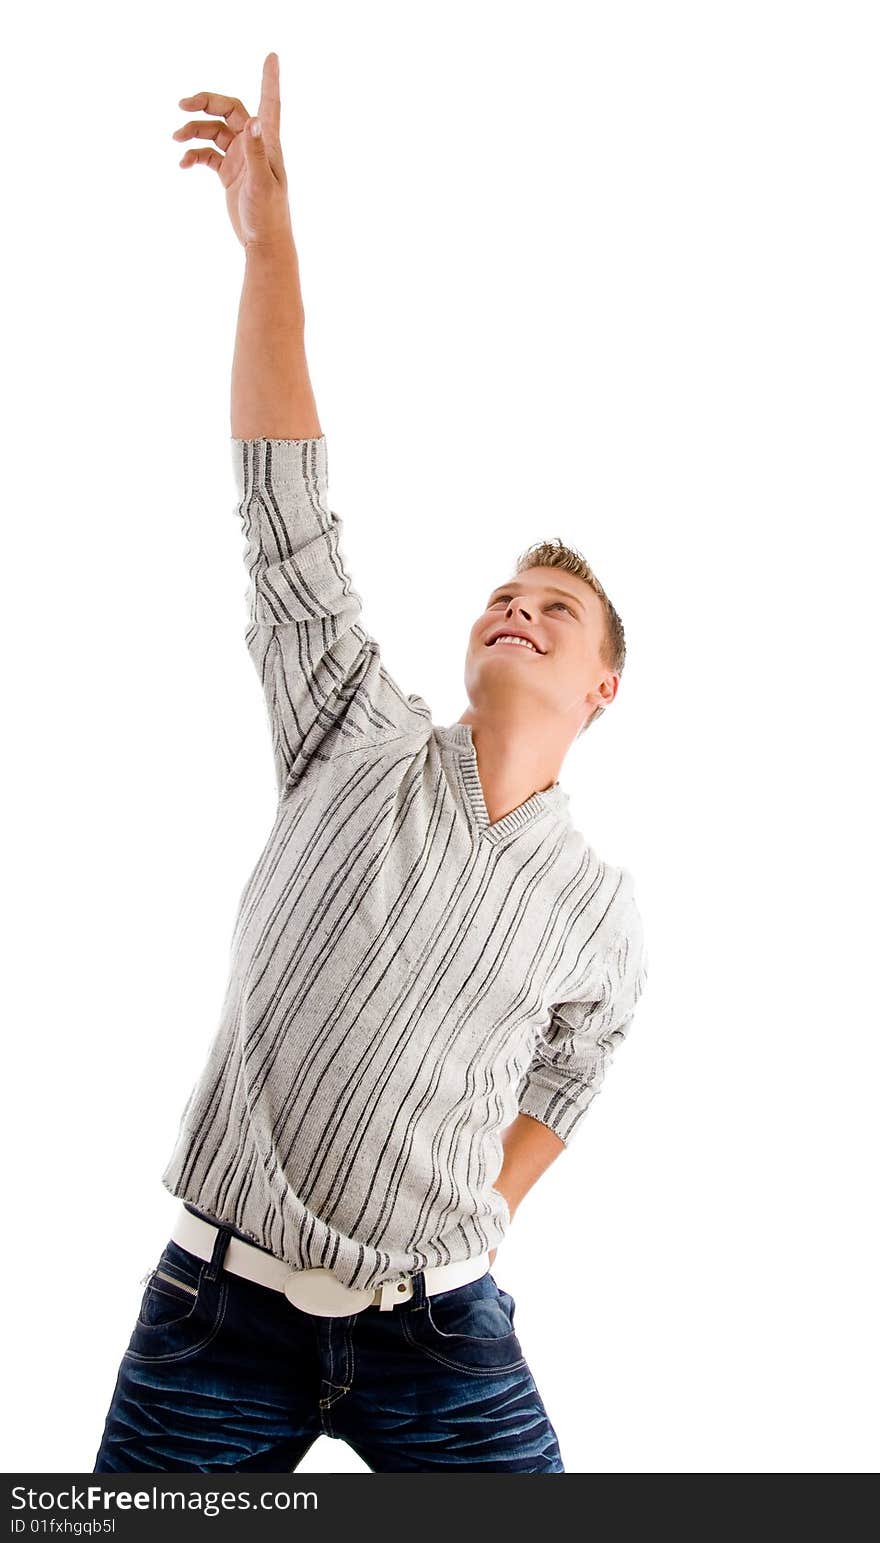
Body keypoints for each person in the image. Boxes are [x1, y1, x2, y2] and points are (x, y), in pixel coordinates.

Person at [93, 51, 648, 1475]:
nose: (516, 609)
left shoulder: (599, 908)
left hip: (441, 1341)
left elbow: (579, 1068)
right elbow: (285, 506)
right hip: (217, 1316)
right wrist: (270, 248)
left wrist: (484, 1206)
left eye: (556, 608)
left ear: (603, 684)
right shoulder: (349, 722)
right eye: (503, 598)